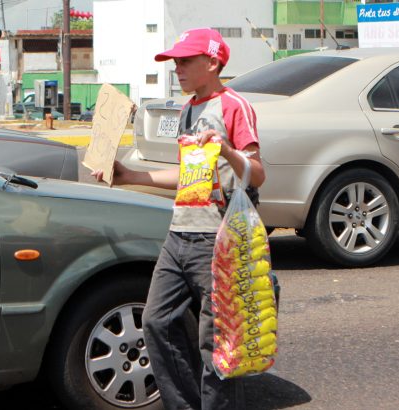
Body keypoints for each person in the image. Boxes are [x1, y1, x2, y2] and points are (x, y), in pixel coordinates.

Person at [92, 27, 265, 410]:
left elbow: (257, 171)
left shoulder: (234, 106)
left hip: (217, 238)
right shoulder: (187, 109)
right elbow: (188, 175)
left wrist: (226, 151)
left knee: (216, 340)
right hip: (179, 234)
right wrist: (131, 176)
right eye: (175, 62)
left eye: (185, 61)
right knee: (156, 322)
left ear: (213, 62)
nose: (177, 68)